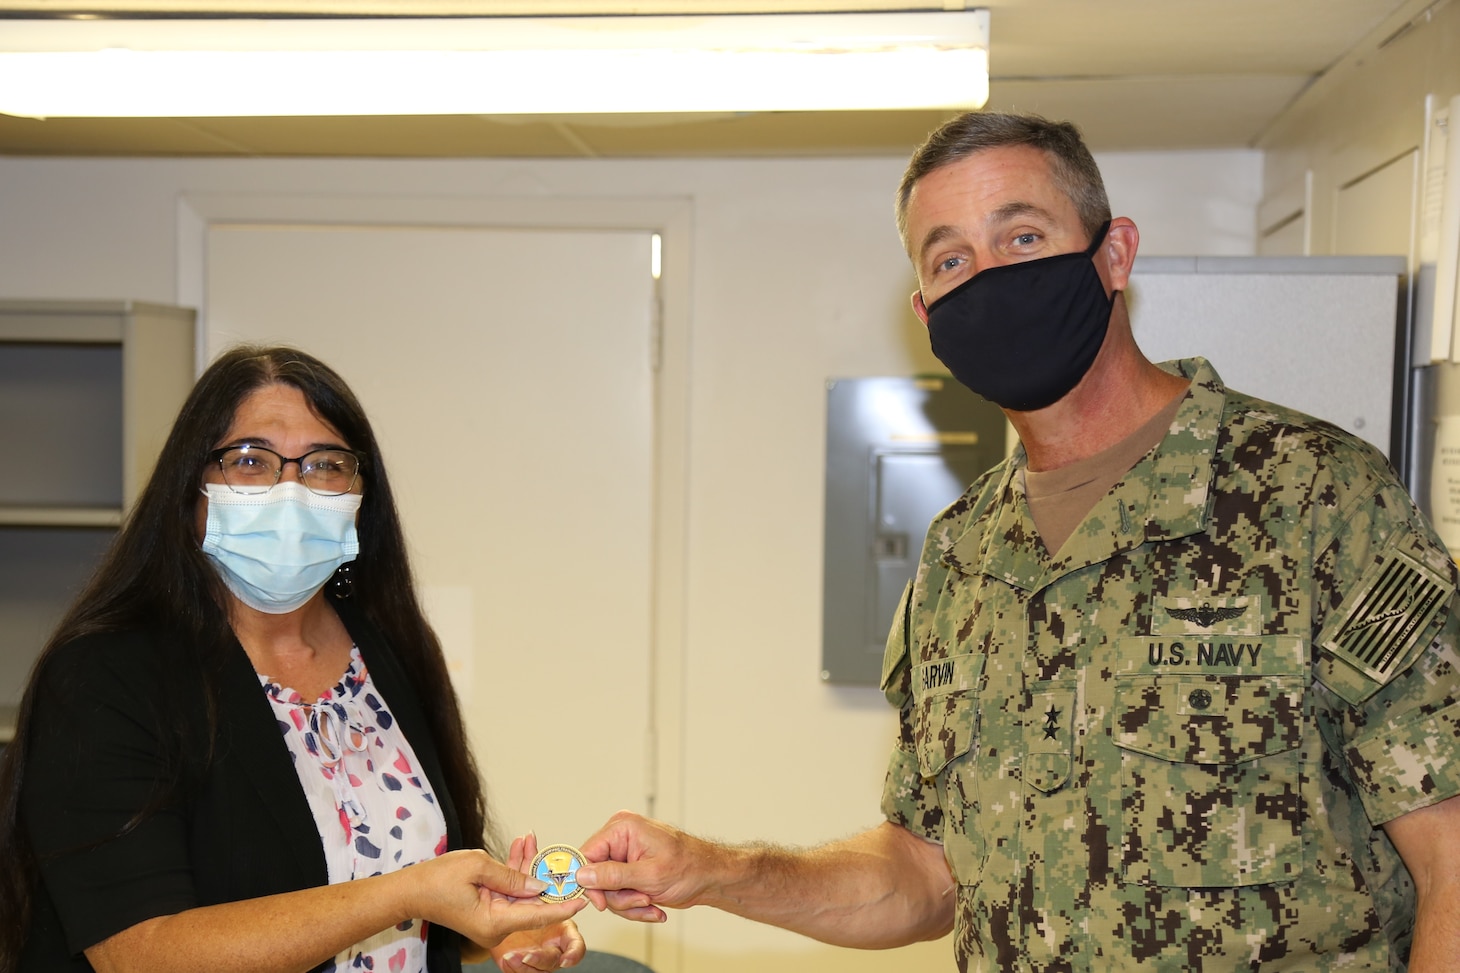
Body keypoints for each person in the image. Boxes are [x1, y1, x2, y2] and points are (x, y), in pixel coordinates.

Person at [573, 111, 1460, 971]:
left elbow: (1451, 859)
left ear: (1114, 254)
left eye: (1023, 238)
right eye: (952, 258)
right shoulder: (961, 555)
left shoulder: (1313, 493)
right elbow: (925, 875)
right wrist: (715, 870)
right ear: (929, 314)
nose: (990, 277)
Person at [0, 345, 587, 973]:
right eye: (250, 461)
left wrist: (499, 931)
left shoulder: (389, 647)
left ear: (361, 495)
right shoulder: (103, 677)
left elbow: (431, 885)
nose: (291, 492)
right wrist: (406, 894)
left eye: (325, 464)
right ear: (190, 489)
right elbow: (141, 953)